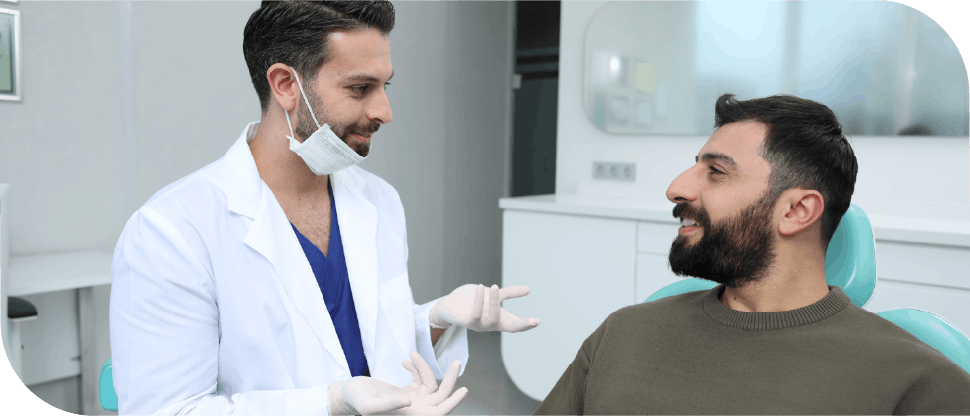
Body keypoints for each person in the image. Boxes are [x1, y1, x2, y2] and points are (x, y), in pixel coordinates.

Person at [109, 1, 539, 415]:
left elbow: (367, 344)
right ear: (285, 85)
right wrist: (329, 404)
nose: (384, 111)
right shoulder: (172, 232)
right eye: (360, 88)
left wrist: (438, 317)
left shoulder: (379, 200)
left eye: (384, 86)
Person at [534, 94, 970, 414]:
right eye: (695, 165)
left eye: (716, 172)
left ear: (798, 211)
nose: (676, 188)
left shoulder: (917, 382)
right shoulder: (622, 334)